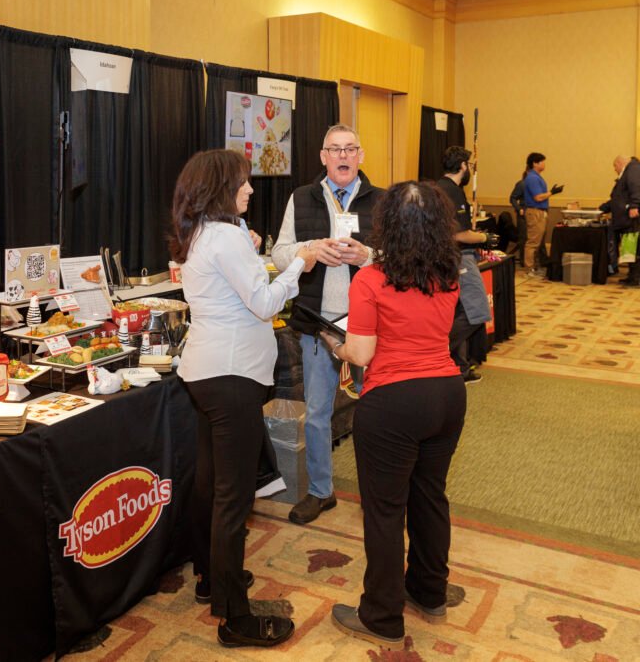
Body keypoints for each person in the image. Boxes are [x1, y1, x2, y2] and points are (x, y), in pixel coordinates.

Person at [171, 149, 317, 648]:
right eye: (242, 182)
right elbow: (264, 303)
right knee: (232, 500)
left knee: (209, 485)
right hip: (232, 376)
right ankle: (235, 618)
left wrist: (250, 249)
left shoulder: (201, 233)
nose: (251, 189)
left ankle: (211, 578)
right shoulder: (226, 235)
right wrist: (299, 265)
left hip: (205, 372)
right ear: (220, 188)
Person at [319, 181, 467, 650]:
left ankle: (382, 615)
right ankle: (429, 591)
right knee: (430, 496)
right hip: (447, 395)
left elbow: (361, 354)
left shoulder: (370, 280)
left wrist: (335, 344)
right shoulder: (449, 273)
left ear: (386, 225)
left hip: (394, 402)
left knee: (384, 511)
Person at [271, 124, 381, 525]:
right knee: (317, 413)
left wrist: (368, 256)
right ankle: (321, 491)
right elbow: (279, 254)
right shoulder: (302, 198)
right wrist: (310, 250)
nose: (343, 156)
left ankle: (378, 493)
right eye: (335, 149)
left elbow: (398, 258)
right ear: (323, 157)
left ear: (361, 155)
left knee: (375, 413)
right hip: (318, 324)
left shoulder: (381, 200)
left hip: (368, 325)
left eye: (350, 148)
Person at [436, 146, 496, 384]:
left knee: (459, 311)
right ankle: (436, 351)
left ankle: (460, 368)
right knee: (478, 311)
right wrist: (484, 237)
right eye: (470, 165)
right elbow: (460, 234)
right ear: (462, 166)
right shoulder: (452, 192)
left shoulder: (436, 188)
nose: (470, 169)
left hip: (443, 258)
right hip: (459, 257)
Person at [598, 155, 640, 285]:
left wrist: (634, 205)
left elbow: (636, 187)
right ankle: (632, 276)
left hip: (631, 219)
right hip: (626, 219)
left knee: (634, 248)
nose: (615, 169)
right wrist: (603, 208)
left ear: (620, 163)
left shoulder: (632, 169)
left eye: (615, 166)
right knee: (630, 249)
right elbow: (618, 198)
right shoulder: (629, 172)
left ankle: (635, 278)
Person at [522, 152, 564, 276]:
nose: (544, 164)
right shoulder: (533, 178)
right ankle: (529, 268)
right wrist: (552, 192)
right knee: (533, 242)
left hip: (539, 212)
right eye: (542, 162)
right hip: (535, 212)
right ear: (535, 163)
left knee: (537, 242)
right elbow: (538, 197)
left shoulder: (536, 177)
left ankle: (534, 267)